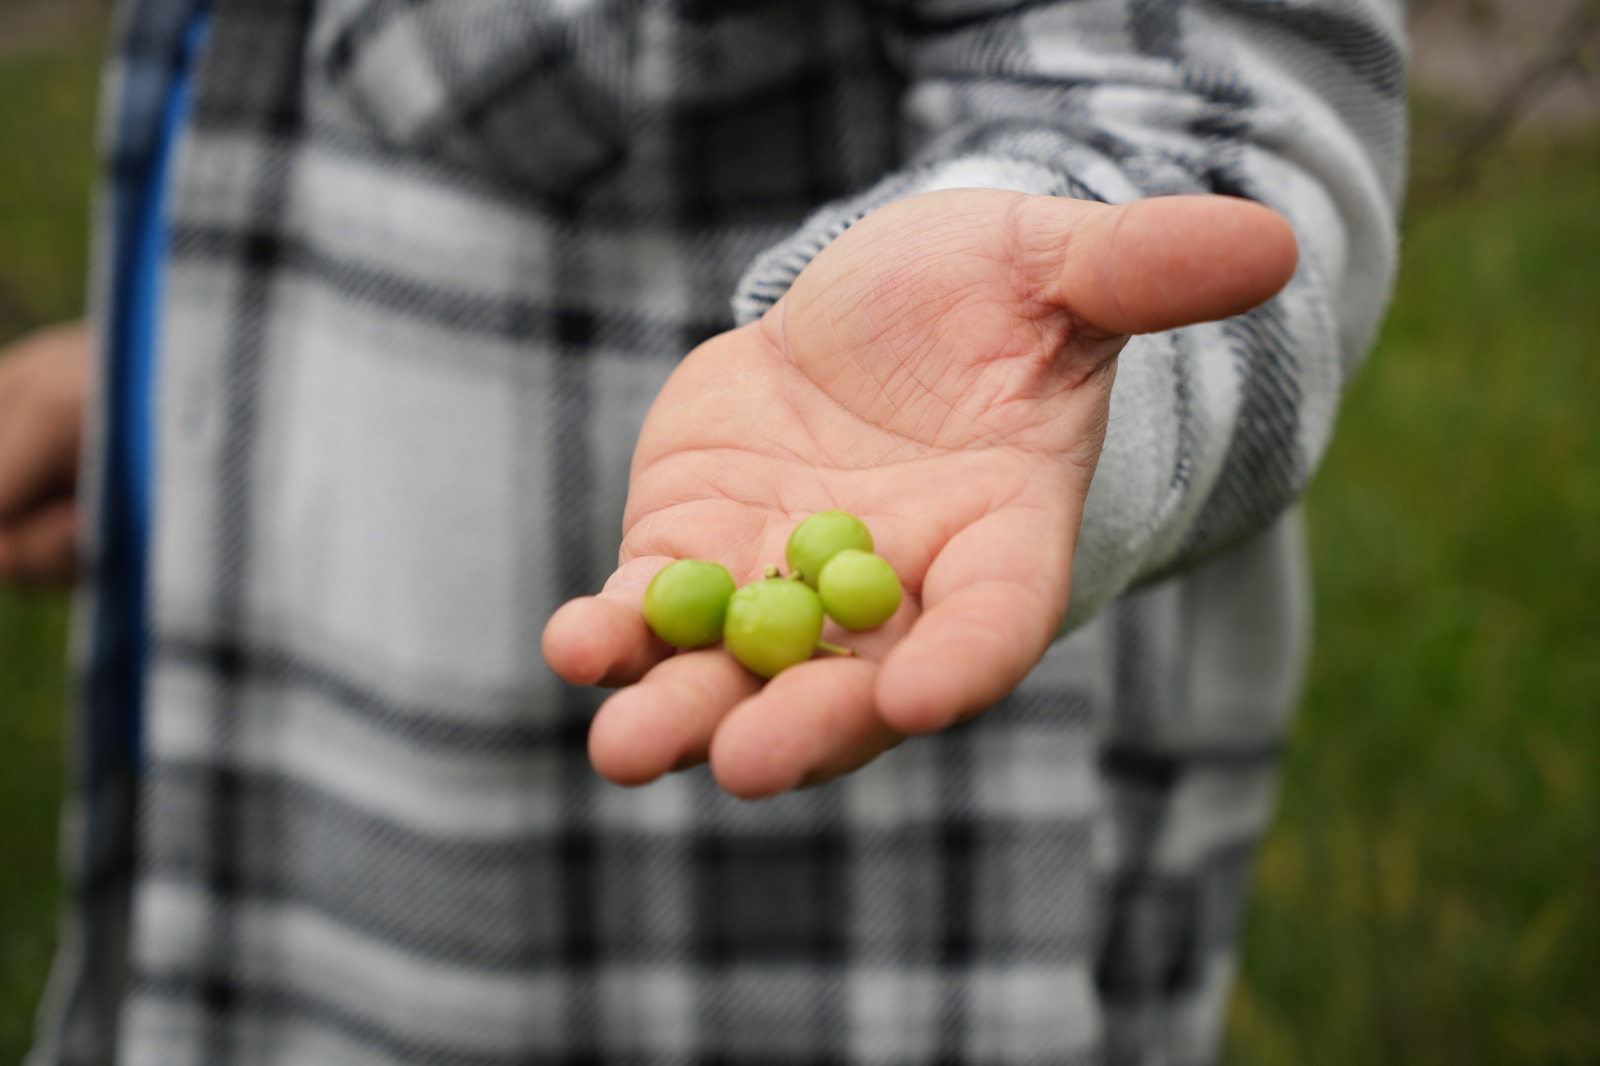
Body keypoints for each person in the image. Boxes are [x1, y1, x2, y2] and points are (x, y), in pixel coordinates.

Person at [0, 0, 1407, 1063]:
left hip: (809, 931)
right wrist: (155, 378)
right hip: (293, 833)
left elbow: (1209, 97)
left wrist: (1045, 323)